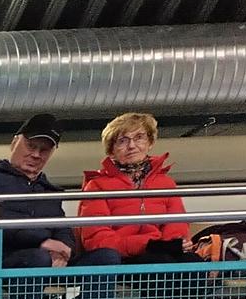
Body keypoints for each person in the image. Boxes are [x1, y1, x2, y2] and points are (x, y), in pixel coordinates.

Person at [0, 114, 120, 276]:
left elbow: (62, 229)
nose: (36, 155)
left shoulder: (49, 191)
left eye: (44, 150)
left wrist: (63, 250)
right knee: (38, 258)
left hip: (39, 259)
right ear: (14, 142)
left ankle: (93, 298)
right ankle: (32, 295)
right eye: (31, 146)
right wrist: (41, 242)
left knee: (107, 257)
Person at [76, 113, 193, 265]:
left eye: (139, 137)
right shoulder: (97, 186)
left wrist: (172, 244)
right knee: (157, 262)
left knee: (193, 262)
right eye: (122, 141)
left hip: (161, 252)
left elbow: (177, 225)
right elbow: (97, 238)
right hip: (123, 257)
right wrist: (148, 245)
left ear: (150, 142)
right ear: (111, 150)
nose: (131, 146)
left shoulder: (166, 183)